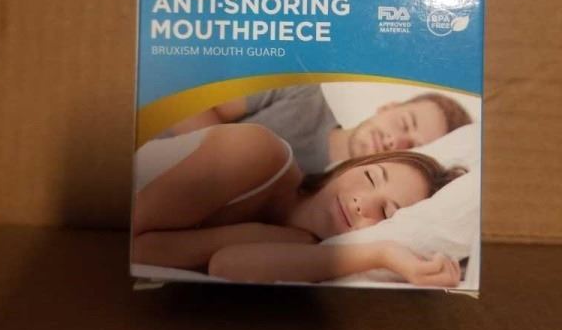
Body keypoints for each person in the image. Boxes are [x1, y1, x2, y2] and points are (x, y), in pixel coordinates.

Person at [133, 123, 464, 286]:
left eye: (386, 213)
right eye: (370, 178)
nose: (362, 203)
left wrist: (382, 254)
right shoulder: (258, 151)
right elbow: (130, 247)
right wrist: (254, 233)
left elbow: (226, 265)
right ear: (350, 166)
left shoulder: (305, 246)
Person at [164, 86, 472, 174]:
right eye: (405, 123)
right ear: (388, 107)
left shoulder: (336, 205)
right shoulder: (303, 92)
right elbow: (185, 102)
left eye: (414, 148)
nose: (397, 140)